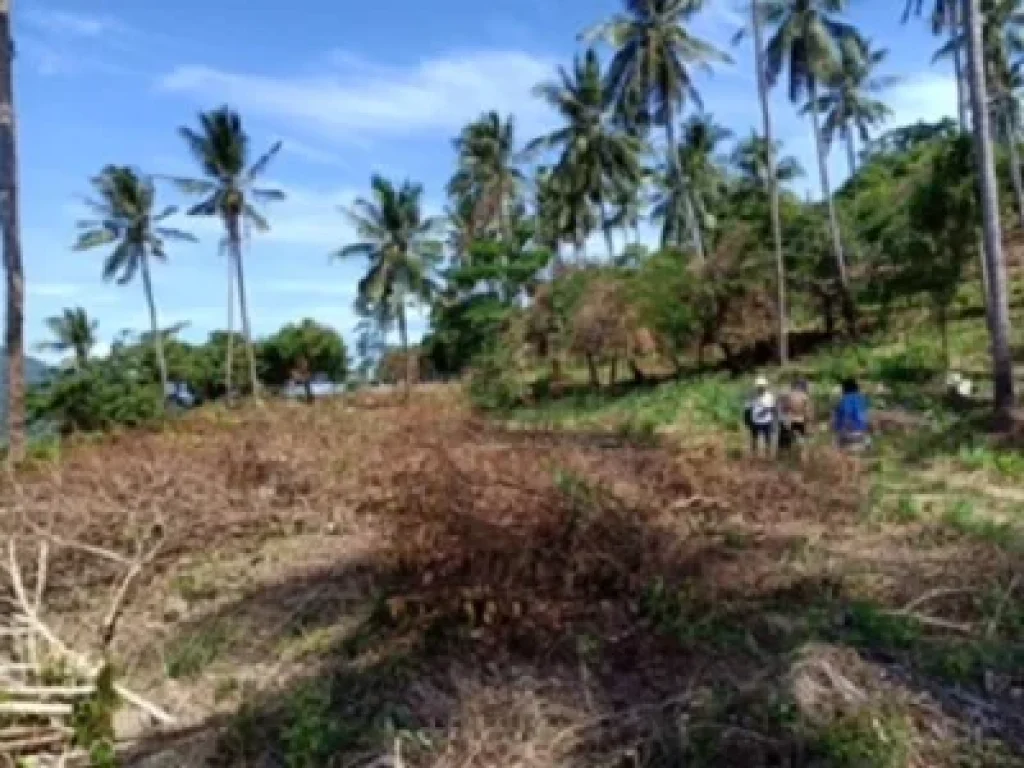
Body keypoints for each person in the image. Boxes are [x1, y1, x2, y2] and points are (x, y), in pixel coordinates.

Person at [833, 377, 870, 450]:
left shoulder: (844, 400)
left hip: (848, 434)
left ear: (844, 388)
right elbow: (866, 416)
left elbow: (846, 416)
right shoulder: (862, 399)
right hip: (862, 432)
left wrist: (843, 429)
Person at [744, 375, 777, 457]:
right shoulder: (752, 396)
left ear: (765, 387)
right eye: (759, 387)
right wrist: (747, 421)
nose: (760, 388)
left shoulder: (769, 396)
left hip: (767, 421)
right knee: (754, 439)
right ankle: (753, 455)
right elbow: (747, 409)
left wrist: (774, 420)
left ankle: (768, 455)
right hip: (755, 421)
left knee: (767, 440)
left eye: (762, 387)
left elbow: (772, 408)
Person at [779, 377, 813, 455]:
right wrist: (809, 422)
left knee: (787, 443)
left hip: (789, 421)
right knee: (803, 445)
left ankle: (786, 460)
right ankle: (802, 461)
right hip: (801, 421)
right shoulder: (805, 397)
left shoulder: (789, 396)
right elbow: (808, 413)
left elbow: (784, 409)